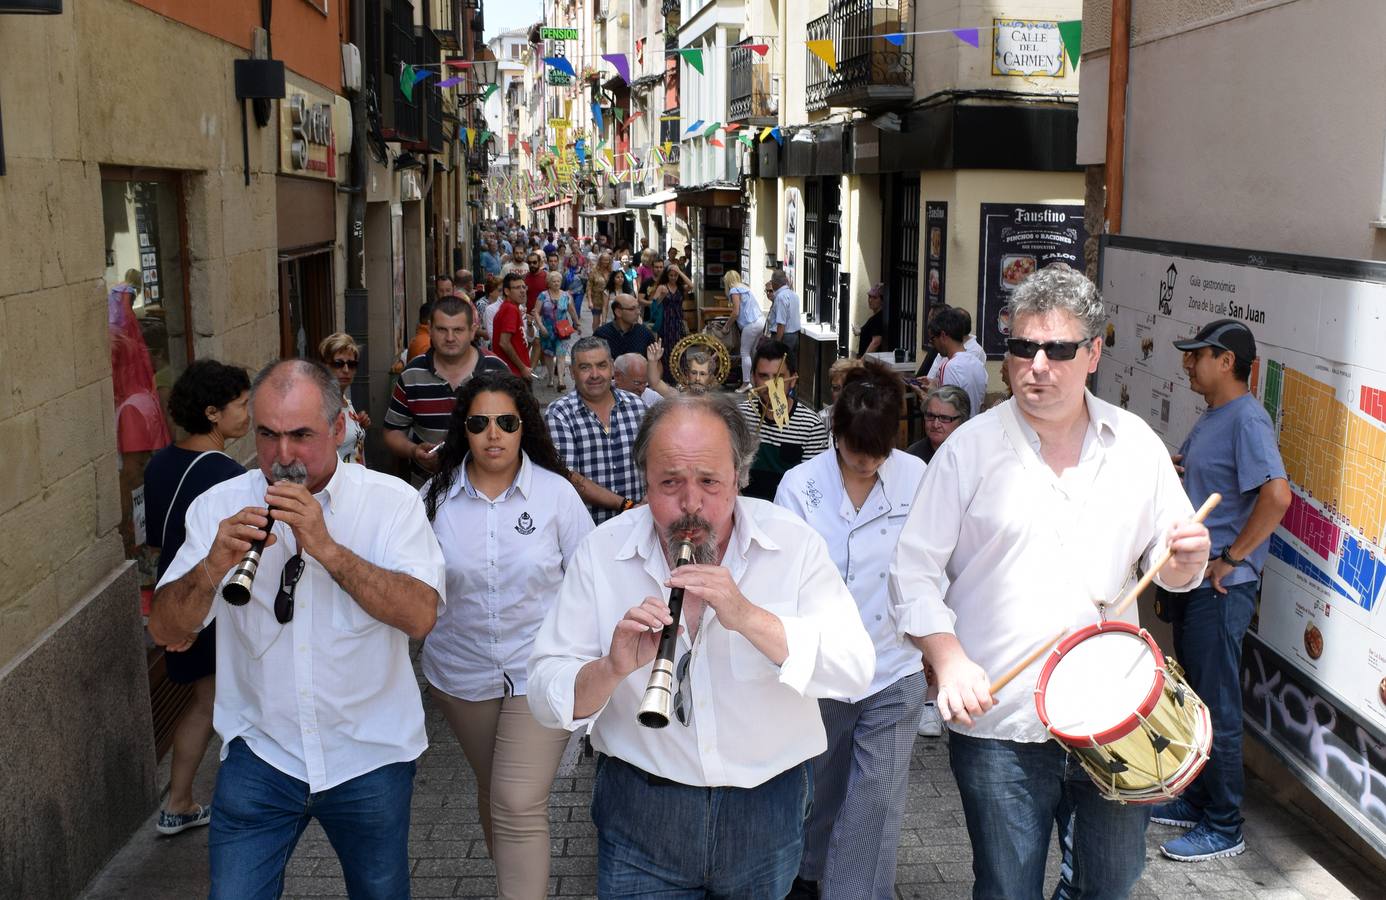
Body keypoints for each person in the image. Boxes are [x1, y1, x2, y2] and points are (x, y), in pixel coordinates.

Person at [890, 264, 1212, 899]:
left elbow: (1174, 573)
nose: (1036, 364)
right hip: (1002, 727)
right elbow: (912, 570)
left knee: (1111, 884)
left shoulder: (1136, 446)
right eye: (1021, 347)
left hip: (1111, 715)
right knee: (1006, 888)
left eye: (1057, 349)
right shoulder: (967, 450)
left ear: (1093, 353)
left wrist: (1185, 559)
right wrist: (948, 659)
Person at [527, 392, 876, 898]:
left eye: (709, 482)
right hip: (641, 807)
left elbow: (855, 668)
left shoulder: (794, 544)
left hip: (766, 807)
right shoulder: (602, 553)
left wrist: (750, 618)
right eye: (670, 483)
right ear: (644, 479)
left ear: (740, 477)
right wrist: (610, 668)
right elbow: (543, 691)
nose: (691, 503)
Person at [148, 359, 446, 899]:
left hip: (370, 755)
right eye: (267, 435)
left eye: (301, 436)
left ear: (337, 429)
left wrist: (328, 549)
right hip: (261, 755)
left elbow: (421, 615)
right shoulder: (218, 505)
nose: (282, 456)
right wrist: (213, 565)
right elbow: (167, 629)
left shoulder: (391, 503)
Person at [419, 373, 593, 899]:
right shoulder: (435, 499)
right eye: (478, 423)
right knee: (495, 789)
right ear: (462, 431)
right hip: (460, 671)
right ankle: (515, 879)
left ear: (524, 427)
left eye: (506, 422)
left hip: (540, 669)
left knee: (517, 800)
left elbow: (590, 576)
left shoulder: (557, 495)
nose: (493, 434)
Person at [775, 359, 927, 900]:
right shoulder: (800, 487)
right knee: (821, 787)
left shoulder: (918, 479)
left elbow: (932, 568)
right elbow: (784, 578)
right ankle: (805, 873)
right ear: (834, 433)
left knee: (875, 801)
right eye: (854, 452)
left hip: (895, 666)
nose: (865, 465)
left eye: (878, 454)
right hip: (824, 668)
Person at [1153, 319, 1291, 863]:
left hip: (1221, 588)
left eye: (1197, 355)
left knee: (1218, 704)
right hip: (1197, 581)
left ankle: (1225, 824)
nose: (1188, 363)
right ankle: (1199, 800)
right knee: (1196, 700)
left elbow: (1276, 497)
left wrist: (1233, 558)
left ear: (1226, 361)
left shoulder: (1248, 419)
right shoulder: (1216, 415)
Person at [142, 360, 252, 836]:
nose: (248, 414)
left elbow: (151, 543)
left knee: (204, 701)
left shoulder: (160, 462)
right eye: (242, 405)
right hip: (208, 606)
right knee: (212, 704)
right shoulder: (227, 474)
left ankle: (180, 801)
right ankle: (181, 802)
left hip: (174, 597)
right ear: (212, 413)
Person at [385, 297, 510, 481]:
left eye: (458, 330)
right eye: (442, 329)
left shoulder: (496, 369)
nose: (450, 338)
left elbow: (515, 426)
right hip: (428, 484)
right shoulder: (412, 374)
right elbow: (392, 431)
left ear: (472, 331)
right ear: (430, 330)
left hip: (488, 484)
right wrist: (413, 451)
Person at [545, 336, 647, 524]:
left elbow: (655, 460)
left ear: (612, 369)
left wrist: (650, 500)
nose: (594, 374)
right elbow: (568, 477)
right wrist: (626, 505)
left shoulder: (638, 407)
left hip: (640, 523)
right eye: (585, 367)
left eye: (601, 365)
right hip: (588, 528)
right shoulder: (560, 413)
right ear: (571, 372)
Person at [740, 340, 830, 501]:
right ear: (753, 378)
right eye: (763, 376)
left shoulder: (810, 426)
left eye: (778, 377)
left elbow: (813, 485)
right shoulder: (741, 416)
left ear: (793, 380)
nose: (770, 384)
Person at [926, 306, 988, 418]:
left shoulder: (949, 366)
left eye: (932, 339)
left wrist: (926, 394)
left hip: (956, 430)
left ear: (943, 336)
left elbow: (944, 410)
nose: (932, 344)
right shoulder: (977, 363)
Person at [319, 332, 369, 465]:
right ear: (325, 366)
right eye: (338, 364)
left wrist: (359, 425)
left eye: (352, 364)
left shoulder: (345, 400)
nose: (346, 370)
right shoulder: (321, 405)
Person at [906, 384, 971, 464]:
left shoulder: (973, 455)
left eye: (944, 418)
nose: (935, 425)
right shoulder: (912, 456)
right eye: (930, 416)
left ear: (962, 421)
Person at [725, 270, 764, 387]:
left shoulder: (734, 290)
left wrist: (726, 326)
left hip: (750, 324)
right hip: (760, 320)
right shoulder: (745, 288)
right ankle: (754, 380)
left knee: (745, 353)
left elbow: (736, 312)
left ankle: (746, 383)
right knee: (753, 353)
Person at [492, 273, 534, 380]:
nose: (522, 291)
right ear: (507, 291)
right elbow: (504, 343)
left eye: (524, 287)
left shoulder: (512, 308)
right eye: (517, 287)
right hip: (513, 375)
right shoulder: (510, 309)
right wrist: (522, 368)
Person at [593, 292, 658, 359]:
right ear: (618, 312)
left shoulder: (645, 333)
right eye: (632, 309)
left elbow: (655, 361)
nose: (638, 312)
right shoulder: (601, 335)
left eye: (638, 308)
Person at [656, 263, 692, 370]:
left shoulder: (680, 288)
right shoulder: (662, 287)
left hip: (678, 321)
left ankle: (680, 373)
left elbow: (691, 285)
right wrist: (662, 296)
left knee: (680, 346)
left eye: (675, 275)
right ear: (666, 275)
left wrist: (680, 272)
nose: (673, 277)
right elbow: (654, 304)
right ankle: (666, 374)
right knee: (666, 348)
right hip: (665, 321)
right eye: (670, 275)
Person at [820, 357, 867, 433]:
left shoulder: (870, 419)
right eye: (836, 388)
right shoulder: (822, 419)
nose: (841, 394)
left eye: (847, 389)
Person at [767, 269, 803, 354]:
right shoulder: (794, 295)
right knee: (791, 364)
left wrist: (777, 344)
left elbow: (781, 323)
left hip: (784, 337)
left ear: (774, 283)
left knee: (780, 364)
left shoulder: (781, 297)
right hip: (794, 336)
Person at [857, 283, 891, 357]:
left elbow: (876, 342)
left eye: (875, 298)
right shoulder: (876, 317)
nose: (870, 300)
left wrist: (862, 361)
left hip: (871, 363)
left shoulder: (878, 318)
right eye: (869, 296)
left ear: (882, 300)